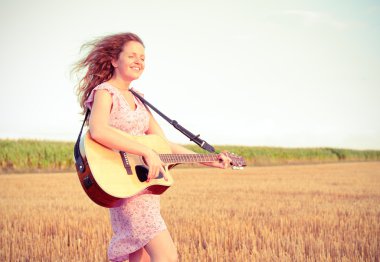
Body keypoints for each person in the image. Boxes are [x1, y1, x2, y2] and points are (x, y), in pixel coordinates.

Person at [73, 32, 231, 262]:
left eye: (143, 58)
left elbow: (162, 144)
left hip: (144, 189)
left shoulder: (138, 98)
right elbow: (98, 130)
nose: (139, 61)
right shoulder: (105, 92)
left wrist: (208, 159)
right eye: (132, 56)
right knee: (167, 257)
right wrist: (145, 152)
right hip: (124, 189)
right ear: (114, 60)